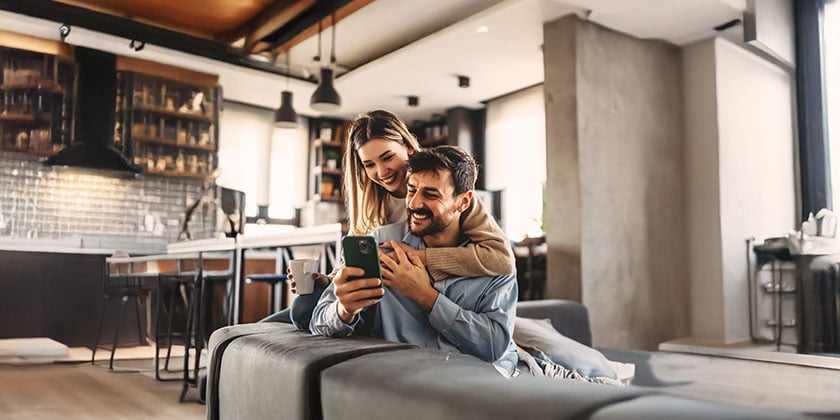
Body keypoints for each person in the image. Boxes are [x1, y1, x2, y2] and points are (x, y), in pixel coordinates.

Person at [265, 109, 514, 328]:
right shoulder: (372, 202)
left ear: (407, 147)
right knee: (299, 309)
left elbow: (501, 259)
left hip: (423, 301)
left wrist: (420, 257)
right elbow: (360, 263)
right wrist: (330, 281)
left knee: (303, 313)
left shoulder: (448, 193)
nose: (381, 172)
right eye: (369, 165)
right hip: (381, 297)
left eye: (387, 157)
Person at [310, 146, 519, 377]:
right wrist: (344, 310)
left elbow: (495, 347)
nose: (414, 203)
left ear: (463, 202)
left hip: (465, 385)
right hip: (400, 382)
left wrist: (426, 297)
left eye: (431, 194)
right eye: (411, 190)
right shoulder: (381, 242)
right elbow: (319, 322)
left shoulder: (494, 261)